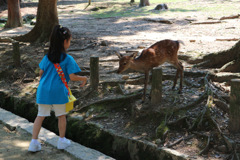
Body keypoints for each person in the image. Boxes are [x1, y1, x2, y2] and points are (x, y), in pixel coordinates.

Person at [28, 25, 87, 152]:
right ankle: (61, 141)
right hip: (59, 91)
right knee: (61, 116)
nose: (69, 43)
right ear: (65, 41)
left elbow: (40, 73)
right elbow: (72, 77)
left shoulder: (46, 57)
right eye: (69, 40)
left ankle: (33, 143)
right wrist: (84, 79)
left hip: (43, 90)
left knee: (40, 116)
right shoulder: (68, 59)